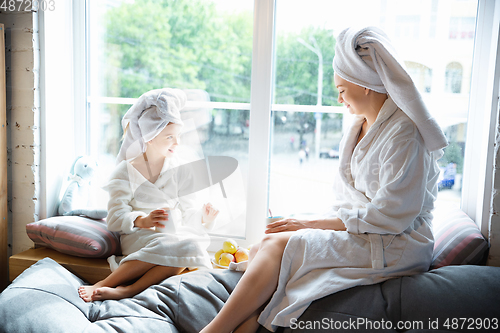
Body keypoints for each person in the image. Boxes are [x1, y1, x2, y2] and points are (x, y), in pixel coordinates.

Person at [200, 26, 447, 333]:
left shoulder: (405, 134)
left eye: (342, 90)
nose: (339, 98)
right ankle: (247, 325)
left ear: (365, 84)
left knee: (280, 247)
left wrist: (308, 225)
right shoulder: (359, 124)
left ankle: (213, 330)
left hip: (395, 243)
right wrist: (306, 221)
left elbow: (390, 216)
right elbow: (347, 200)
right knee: (267, 241)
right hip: (365, 231)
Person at [79, 88, 219, 302]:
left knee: (191, 244)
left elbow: (188, 211)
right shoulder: (125, 171)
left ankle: (127, 291)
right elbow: (115, 218)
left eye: (179, 136)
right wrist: (143, 220)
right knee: (174, 247)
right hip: (138, 237)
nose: (177, 143)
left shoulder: (181, 169)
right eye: (170, 137)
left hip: (172, 236)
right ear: (150, 137)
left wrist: (204, 218)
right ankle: (104, 284)